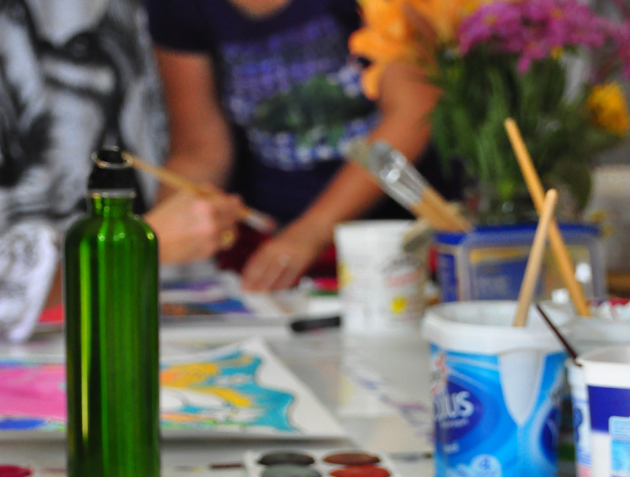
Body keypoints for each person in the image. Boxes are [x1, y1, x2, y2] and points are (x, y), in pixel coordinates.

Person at [147, 0, 439, 290]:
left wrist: (311, 231)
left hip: (399, 242)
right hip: (269, 248)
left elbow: (413, 113)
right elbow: (199, 148)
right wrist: (157, 250)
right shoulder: (178, 7)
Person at [0, 0, 243, 338]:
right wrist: (135, 247)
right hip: (37, 342)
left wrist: (181, 222)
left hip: (152, 305)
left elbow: (195, 143)